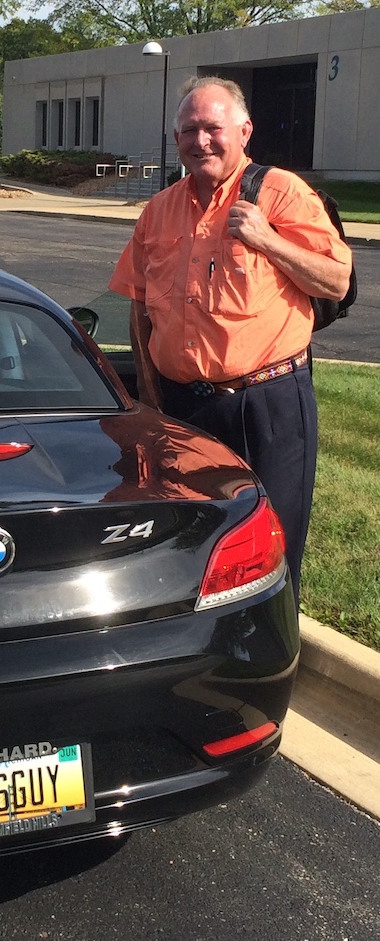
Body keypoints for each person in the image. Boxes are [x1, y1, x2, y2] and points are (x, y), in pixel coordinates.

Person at [107, 76, 353, 601]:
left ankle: (269, 655)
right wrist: (151, 396)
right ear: (176, 139)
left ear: (244, 131)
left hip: (267, 405)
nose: (201, 142)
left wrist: (267, 239)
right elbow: (137, 304)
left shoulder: (280, 192)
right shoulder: (158, 211)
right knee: (192, 543)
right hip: (183, 409)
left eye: (212, 128)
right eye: (188, 131)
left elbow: (335, 280)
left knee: (272, 544)